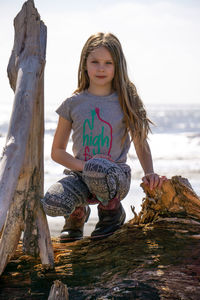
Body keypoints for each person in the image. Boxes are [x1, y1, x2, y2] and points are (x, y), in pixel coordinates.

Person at [41, 32, 166, 242]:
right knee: (52, 202)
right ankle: (76, 215)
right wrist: (85, 167)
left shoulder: (126, 101)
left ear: (117, 66)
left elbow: (140, 142)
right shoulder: (73, 104)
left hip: (115, 177)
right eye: (95, 62)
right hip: (80, 175)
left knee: (99, 168)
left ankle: (112, 211)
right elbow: (57, 151)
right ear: (85, 64)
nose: (101, 68)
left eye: (108, 63)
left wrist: (150, 172)